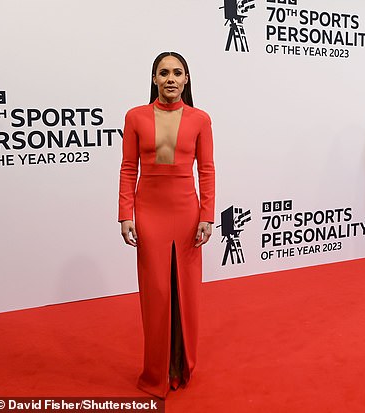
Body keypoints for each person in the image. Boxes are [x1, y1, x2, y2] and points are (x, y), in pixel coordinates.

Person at [118, 52, 215, 398]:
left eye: (177, 72)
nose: (171, 78)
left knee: (186, 293)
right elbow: (129, 168)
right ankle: (156, 371)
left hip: (187, 213)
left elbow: (206, 170)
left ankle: (182, 366)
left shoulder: (200, 119)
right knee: (156, 294)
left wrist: (207, 215)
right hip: (149, 213)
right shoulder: (135, 117)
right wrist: (125, 213)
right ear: (154, 79)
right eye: (164, 73)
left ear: (186, 79)